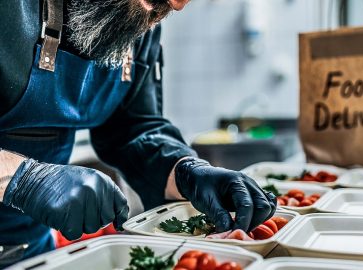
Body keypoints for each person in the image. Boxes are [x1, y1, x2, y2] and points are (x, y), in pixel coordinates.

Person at [0, 0, 276, 267]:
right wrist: (22, 179)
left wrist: (184, 170)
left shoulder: (140, 17)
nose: (179, 4)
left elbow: (133, 128)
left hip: (31, 251)